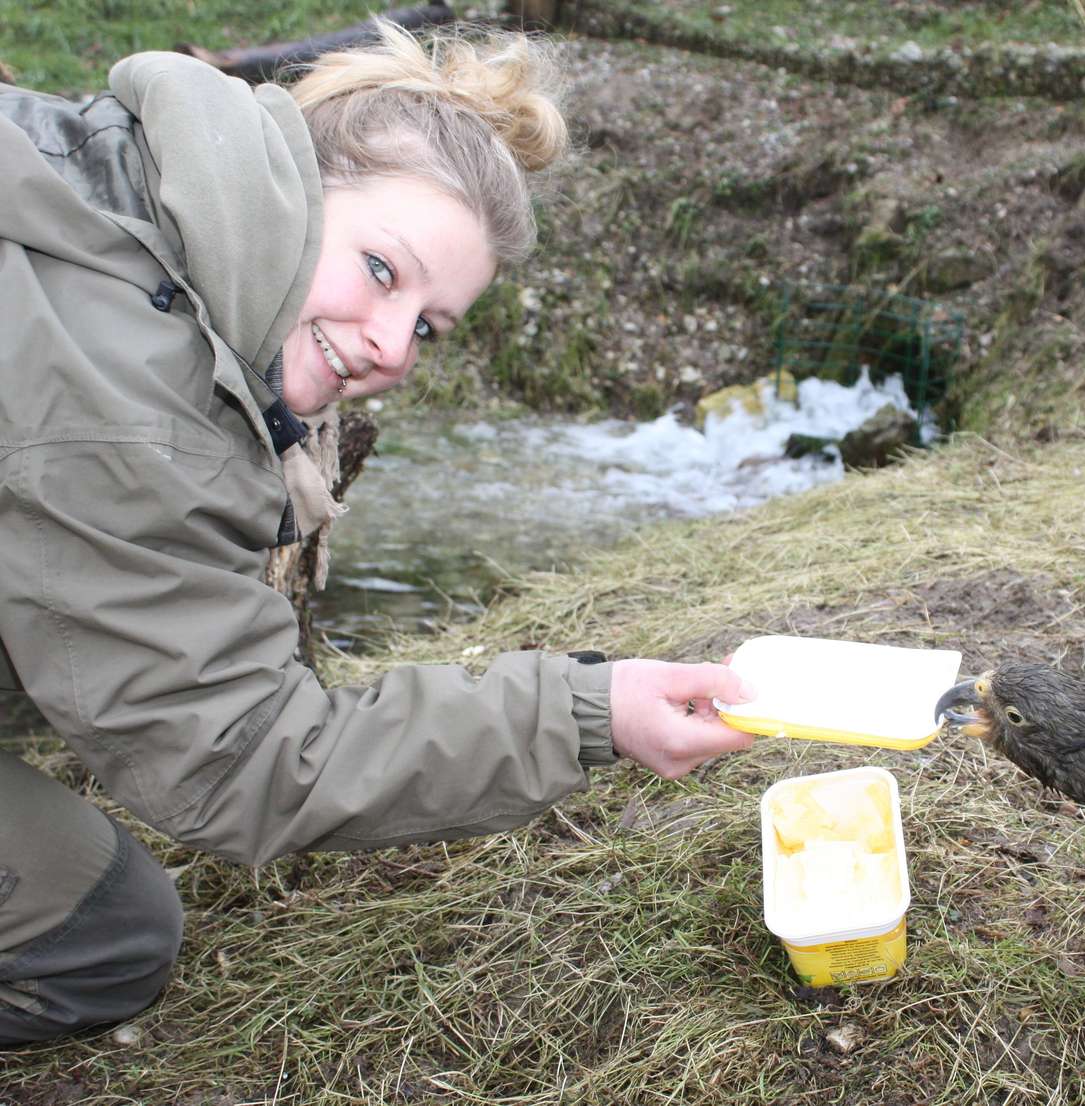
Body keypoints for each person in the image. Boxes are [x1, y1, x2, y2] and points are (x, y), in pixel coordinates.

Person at [0, 20, 756, 1046]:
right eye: (384, 272)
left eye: (430, 326)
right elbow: (244, 760)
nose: (393, 350)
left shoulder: (108, 178)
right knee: (96, 928)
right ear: (297, 180)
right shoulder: (129, 396)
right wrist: (590, 710)